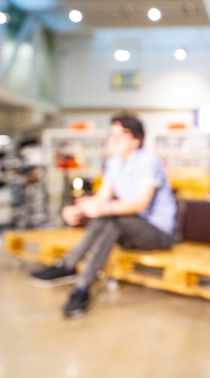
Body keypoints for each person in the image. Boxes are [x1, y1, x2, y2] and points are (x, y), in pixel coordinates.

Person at [31, 115, 177, 318]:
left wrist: (104, 208)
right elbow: (102, 199)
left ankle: (71, 270)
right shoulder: (114, 163)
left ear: (137, 140)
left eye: (121, 135)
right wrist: (76, 211)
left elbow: (139, 205)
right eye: (112, 134)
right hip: (128, 230)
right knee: (110, 219)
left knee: (112, 217)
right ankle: (78, 283)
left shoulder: (149, 161)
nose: (113, 139)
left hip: (157, 234)